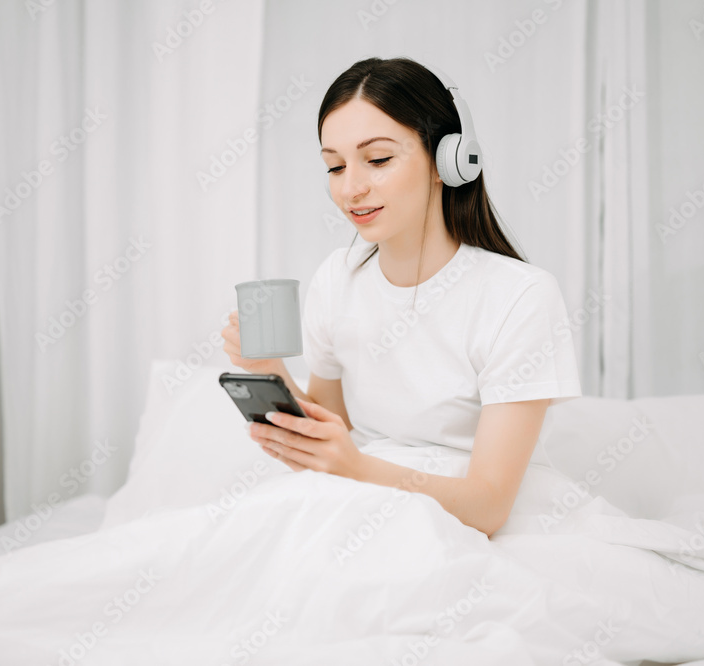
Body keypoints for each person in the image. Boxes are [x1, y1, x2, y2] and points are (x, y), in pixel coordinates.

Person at [222, 57, 582, 537]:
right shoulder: (337, 278)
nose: (350, 188)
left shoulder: (520, 296)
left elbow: (490, 507)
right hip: (358, 502)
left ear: (449, 160)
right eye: (334, 166)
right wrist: (268, 370)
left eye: (378, 160)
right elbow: (337, 428)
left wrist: (355, 468)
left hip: (460, 520)